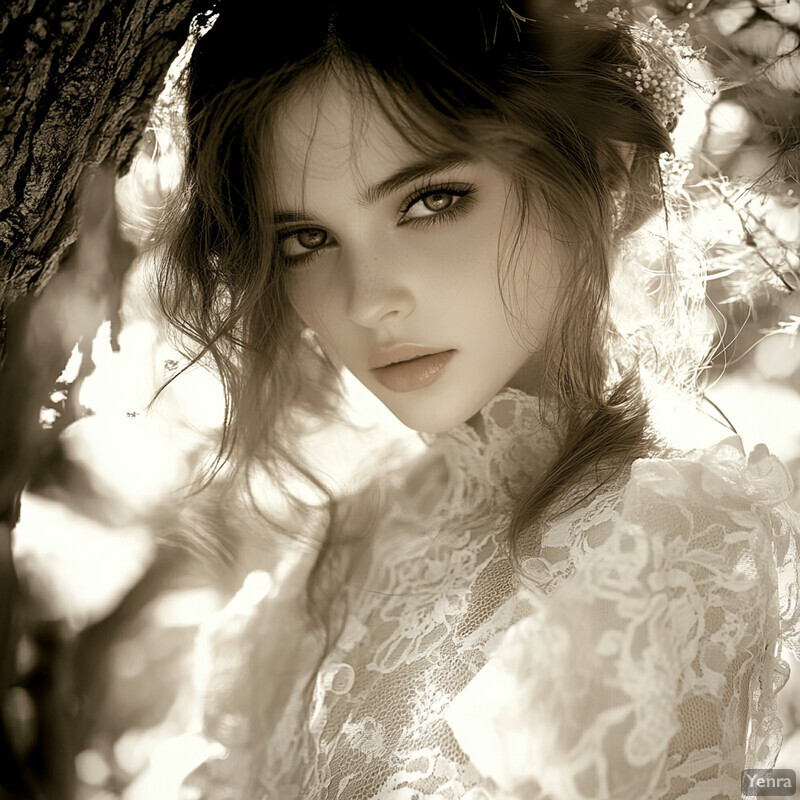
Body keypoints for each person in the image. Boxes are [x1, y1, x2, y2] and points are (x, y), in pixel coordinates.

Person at [154, 0, 800, 797]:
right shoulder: (327, 560)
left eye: (430, 200)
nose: (365, 302)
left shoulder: (667, 540)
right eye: (306, 239)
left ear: (607, 167)